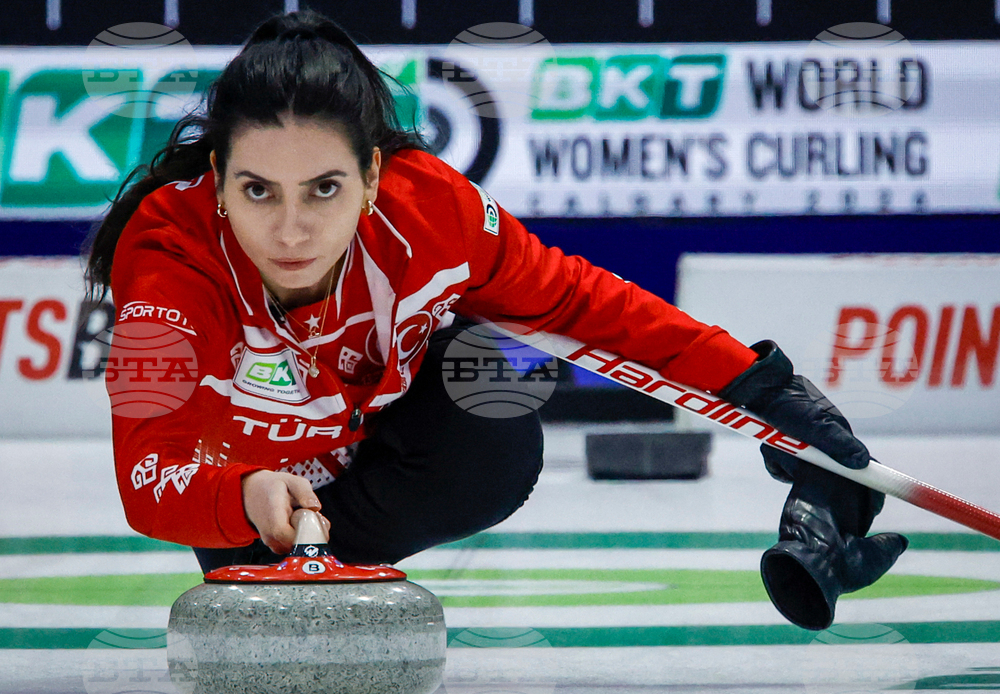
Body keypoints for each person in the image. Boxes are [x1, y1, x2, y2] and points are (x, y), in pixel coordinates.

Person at [84, 10, 906, 631]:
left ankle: (339, 558)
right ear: (220, 181)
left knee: (495, 398)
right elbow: (146, 473)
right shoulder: (166, 256)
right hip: (247, 488)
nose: (292, 230)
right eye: (259, 190)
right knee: (236, 541)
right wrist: (242, 492)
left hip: (380, 459)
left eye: (324, 188)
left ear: (373, 175)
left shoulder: (434, 211)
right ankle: (291, 553)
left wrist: (760, 387)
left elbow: (583, 305)